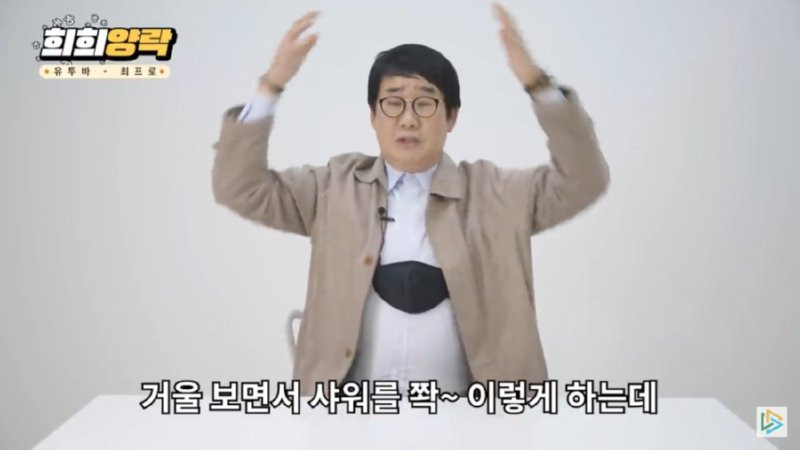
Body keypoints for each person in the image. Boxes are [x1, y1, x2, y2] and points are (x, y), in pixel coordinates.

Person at [212, 4, 609, 396]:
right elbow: (239, 187)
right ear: (373, 115)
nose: (408, 118)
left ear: (451, 116)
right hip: (347, 417)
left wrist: (539, 86)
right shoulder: (332, 187)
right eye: (393, 102)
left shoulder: (498, 194)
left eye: (425, 102)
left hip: (478, 419)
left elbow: (583, 181)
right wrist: (270, 88)